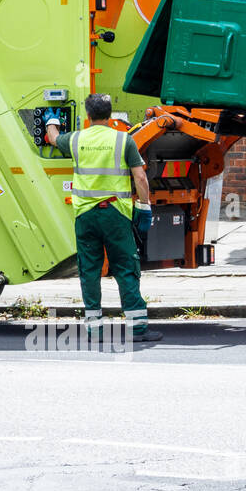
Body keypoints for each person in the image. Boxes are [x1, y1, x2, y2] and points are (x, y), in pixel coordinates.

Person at [43, 94, 161, 343]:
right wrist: (144, 207)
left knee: (89, 271)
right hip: (115, 214)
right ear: (110, 115)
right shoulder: (123, 140)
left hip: (85, 216)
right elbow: (140, 178)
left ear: (88, 115)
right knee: (126, 268)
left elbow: (53, 138)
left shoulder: (75, 139)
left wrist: (50, 119)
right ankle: (137, 329)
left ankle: (94, 329)